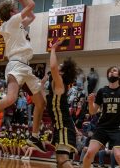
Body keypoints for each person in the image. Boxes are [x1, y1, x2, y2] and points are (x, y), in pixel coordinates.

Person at [0, 0, 46, 152]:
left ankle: (34, 138)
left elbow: (32, 16)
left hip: (25, 66)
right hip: (16, 64)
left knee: (41, 102)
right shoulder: (12, 22)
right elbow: (31, 5)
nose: (17, 10)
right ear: (11, 12)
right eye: (14, 8)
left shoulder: (16, 24)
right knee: (11, 98)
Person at [46, 39, 78, 168]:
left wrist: (53, 49)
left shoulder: (60, 84)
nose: (56, 67)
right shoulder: (55, 85)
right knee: (59, 162)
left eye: (60, 68)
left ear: (62, 73)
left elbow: (52, 66)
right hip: (61, 126)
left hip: (64, 126)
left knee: (62, 160)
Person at [83, 66, 120, 168]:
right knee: (89, 153)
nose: (112, 72)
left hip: (117, 128)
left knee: (118, 155)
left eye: (114, 71)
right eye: (110, 71)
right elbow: (92, 111)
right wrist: (90, 102)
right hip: (102, 127)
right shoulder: (102, 91)